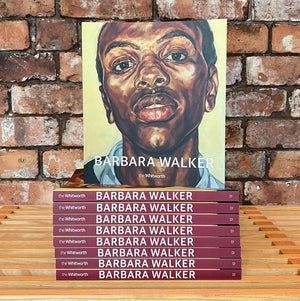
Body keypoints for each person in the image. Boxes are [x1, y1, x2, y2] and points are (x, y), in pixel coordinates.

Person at [84, 20, 224, 189]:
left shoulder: (223, 205)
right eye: (123, 65)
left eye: (176, 55)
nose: (149, 75)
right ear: (107, 102)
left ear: (210, 87)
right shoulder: (81, 197)